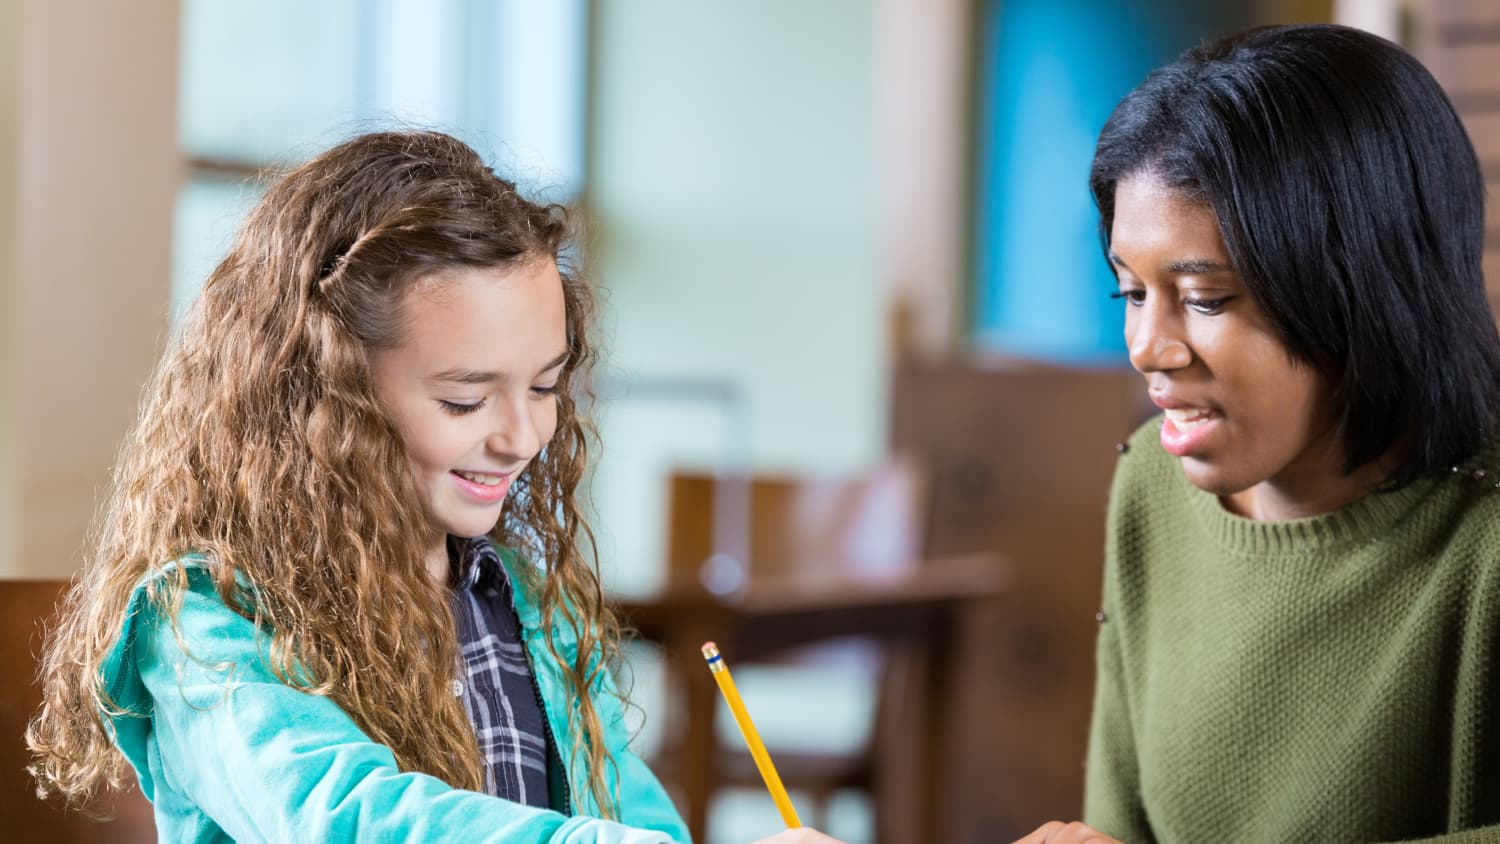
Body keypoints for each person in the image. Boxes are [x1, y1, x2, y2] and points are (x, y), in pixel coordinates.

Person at [26, 130, 843, 844]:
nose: (520, 437)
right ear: (323, 395)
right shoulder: (205, 622)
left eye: (546, 386)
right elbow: (345, 819)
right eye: (464, 399)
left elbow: (638, 822)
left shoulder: (534, 608)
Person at [1016, 24, 1500, 843]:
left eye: (1205, 299)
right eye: (1130, 294)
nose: (1147, 348)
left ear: (1363, 288)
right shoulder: (1150, 486)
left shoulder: (1481, 539)